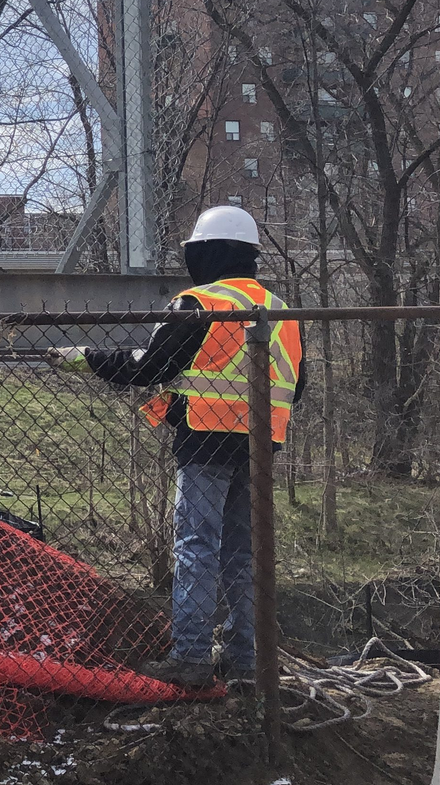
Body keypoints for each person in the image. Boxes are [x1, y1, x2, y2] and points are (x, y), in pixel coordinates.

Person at [47, 206, 302, 689]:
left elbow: (148, 366)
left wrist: (83, 359)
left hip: (205, 441)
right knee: (245, 553)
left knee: (196, 547)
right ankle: (248, 661)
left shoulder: (200, 303)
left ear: (205, 253)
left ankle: (189, 657)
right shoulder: (279, 307)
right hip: (262, 449)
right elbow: (297, 384)